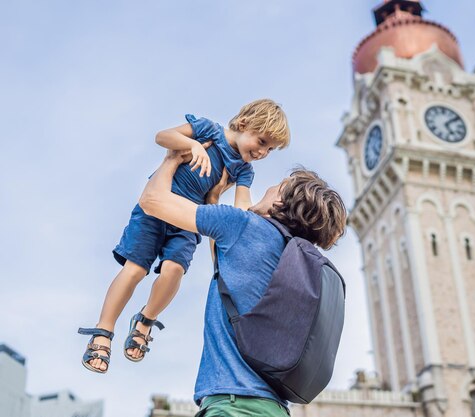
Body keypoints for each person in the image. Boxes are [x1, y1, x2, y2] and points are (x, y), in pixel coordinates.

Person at [78, 99, 290, 374]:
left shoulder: (243, 170)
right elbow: (162, 136)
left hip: (188, 219)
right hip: (154, 209)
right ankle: (103, 331)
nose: (263, 152)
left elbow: (242, 206)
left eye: (270, 149)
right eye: (262, 141)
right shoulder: (207, 130)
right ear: (243, 124)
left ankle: (146, 319)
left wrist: (249, 219)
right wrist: (189, 145)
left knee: (174, 270)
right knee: (135, 270)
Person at [138, 150, 347, 417]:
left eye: (278, 185)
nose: (270, 187)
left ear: (281, 199)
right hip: (273, 409)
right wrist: (215, 197)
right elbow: (224, 263)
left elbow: (152, 201)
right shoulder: (292, 260)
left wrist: (171, 159)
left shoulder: (243, 227)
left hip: (233, 407)